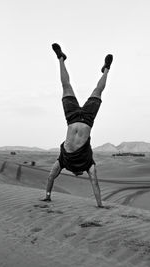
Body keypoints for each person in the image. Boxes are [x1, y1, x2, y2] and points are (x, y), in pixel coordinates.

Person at [41, 43, 113, 207]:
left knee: (66, 86)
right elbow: (95, 183)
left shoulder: (63, 161)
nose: (79, 173)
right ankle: (107, 69)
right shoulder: (88, 165)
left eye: (78, 173)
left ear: (74, 172)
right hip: (87, 118)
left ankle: (60, 58)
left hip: (72, 117)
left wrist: (47, 195)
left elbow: (51, 176)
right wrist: (99, 204)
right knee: (98, 92)